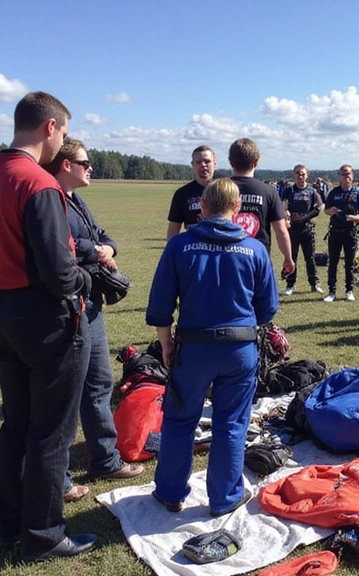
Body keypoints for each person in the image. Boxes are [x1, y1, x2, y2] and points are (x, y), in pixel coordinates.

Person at [0, 91, 96, 561]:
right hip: (43, 318)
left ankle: (9, 527)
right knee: (51, 432)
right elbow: (60, 273)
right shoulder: (39, 183)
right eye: (62, 132)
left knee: (15, 425)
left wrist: (2, 269)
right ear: (50, 128)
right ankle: (43, 536)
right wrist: (91, 274)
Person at [146, 178, 278, 515]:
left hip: (192, 349)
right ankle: (224, 497)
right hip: (239, 350)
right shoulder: (255, 249)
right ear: (237, 210)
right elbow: (267, 309)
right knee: (231, 423)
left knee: (179, 421)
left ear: (201, 208)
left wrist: (166, 345)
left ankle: (170, 491)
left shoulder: (179, 246)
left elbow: (161, 305)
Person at [44, 138, 144, 502]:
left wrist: (108, 248)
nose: (91, 168)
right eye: (85, 162)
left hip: (92, 305)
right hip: (70, 305)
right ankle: (62, 477)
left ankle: (105, 458)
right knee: (66, 394)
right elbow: (62, 242)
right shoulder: (51, 197)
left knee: (99, 383)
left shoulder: (75, 199)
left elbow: (101, 234)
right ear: (65, 164)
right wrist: (95, 251)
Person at [228, 138, 295, 276]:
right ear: (256, 162)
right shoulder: (268, 191)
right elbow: (281, 230)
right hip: (258, 258)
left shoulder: (218, 189)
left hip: (225, 258)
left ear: (230, 161)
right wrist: (288, 258)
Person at [323, 164, 359, 302]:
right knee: (333, 262)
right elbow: (326, 209)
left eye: (348, 173)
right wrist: (331, 211)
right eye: (343, 174)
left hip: (350, 233)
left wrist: (355, 218)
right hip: (335, 232)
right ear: (340, 176)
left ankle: (349, 290)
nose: (346, 176)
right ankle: (331, 291)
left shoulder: (358, 193)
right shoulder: (334, 192)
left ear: (352, 175)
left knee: (350, 263)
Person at [281, 164, 324, 295]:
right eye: (298, 173)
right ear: (294, 175)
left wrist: (306, 217)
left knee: (310, 258)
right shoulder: (288, 191)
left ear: (307, 175)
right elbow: (283, 206)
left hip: (307, 228)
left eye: (303, 174)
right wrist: (286, 213)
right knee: (291, 257)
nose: (300, 176)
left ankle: (314, 284)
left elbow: (320, 207)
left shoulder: (311, 192)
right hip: (292, 229)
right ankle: (290, 285)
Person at [166, 145, 217, 241]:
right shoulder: (182, 194)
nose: (203, 165)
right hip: (193, 249)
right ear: (193, 165)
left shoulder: (223, 191)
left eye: (207, 161)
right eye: (198, 162)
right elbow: (173, 230)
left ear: (215, 164)